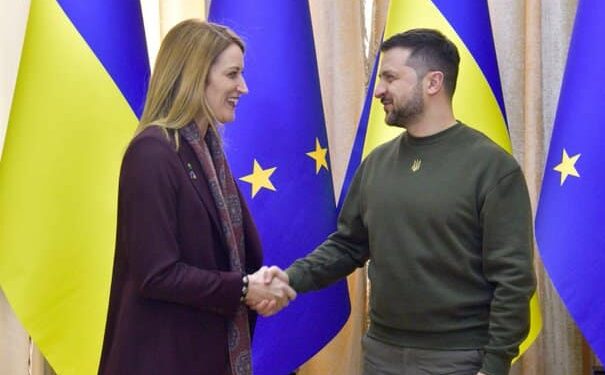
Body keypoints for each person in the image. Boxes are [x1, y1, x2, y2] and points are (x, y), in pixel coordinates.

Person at [273, 28, 535, 375]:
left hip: (459, 358)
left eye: (390, 77)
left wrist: (495, 365)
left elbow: (513, 280)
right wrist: (288, 280)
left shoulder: (492, 168)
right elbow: (347, 246)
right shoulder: (377, 163)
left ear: (433, 82)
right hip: (381, 353)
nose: (378, 90)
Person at [98, 19, 296, 375]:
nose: (244, 88)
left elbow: (223, 257)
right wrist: (243, 289)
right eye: (233, 74)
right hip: (162, 359)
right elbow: (156, 274)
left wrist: (260, 285)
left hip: (203, 354)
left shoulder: (208, 155)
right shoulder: (153, 153)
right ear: (195, 75)